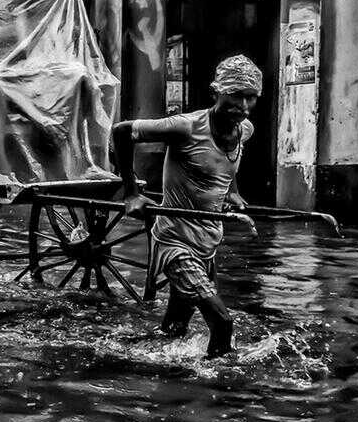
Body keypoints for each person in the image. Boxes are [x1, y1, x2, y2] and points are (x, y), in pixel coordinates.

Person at [111, 54, 262, 358]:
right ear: (216, 92)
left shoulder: (244, 130)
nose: (243, 107)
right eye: (235, 96)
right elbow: (121, 131)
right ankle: (219, 385)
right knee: (222, 322)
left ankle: (133, 358)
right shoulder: (186, 127)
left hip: (207, 245)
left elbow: (227, 166)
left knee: (175, 329)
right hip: (175, 243)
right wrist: (131, 193)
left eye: (251, 98)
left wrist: (232, 192)